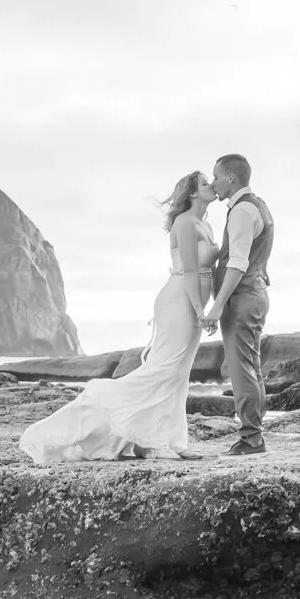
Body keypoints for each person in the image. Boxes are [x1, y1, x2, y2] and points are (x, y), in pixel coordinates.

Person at [18, 172, 219, 464]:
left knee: (179, 373)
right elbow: (189, 271)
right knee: (164, 369)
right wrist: (202, 311)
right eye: (204, 184)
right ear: (192, 194)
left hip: (194, 302)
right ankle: (153, 442)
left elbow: (208, 271)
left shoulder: (207, 224)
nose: (211, 186)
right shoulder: (185, 222)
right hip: (179, 301)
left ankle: (172, 440)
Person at [200, 154, 272, 455]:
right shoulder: (259, 205)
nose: (213, 182)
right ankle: (254, 434)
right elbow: (256, 253)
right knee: (250, 367)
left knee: (240, 369)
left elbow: (239, 262)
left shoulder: (242, 211)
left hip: (242, 299)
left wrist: (218, 306)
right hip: (252, 295)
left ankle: (251, 439)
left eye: (216, 176)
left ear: (231, 178)